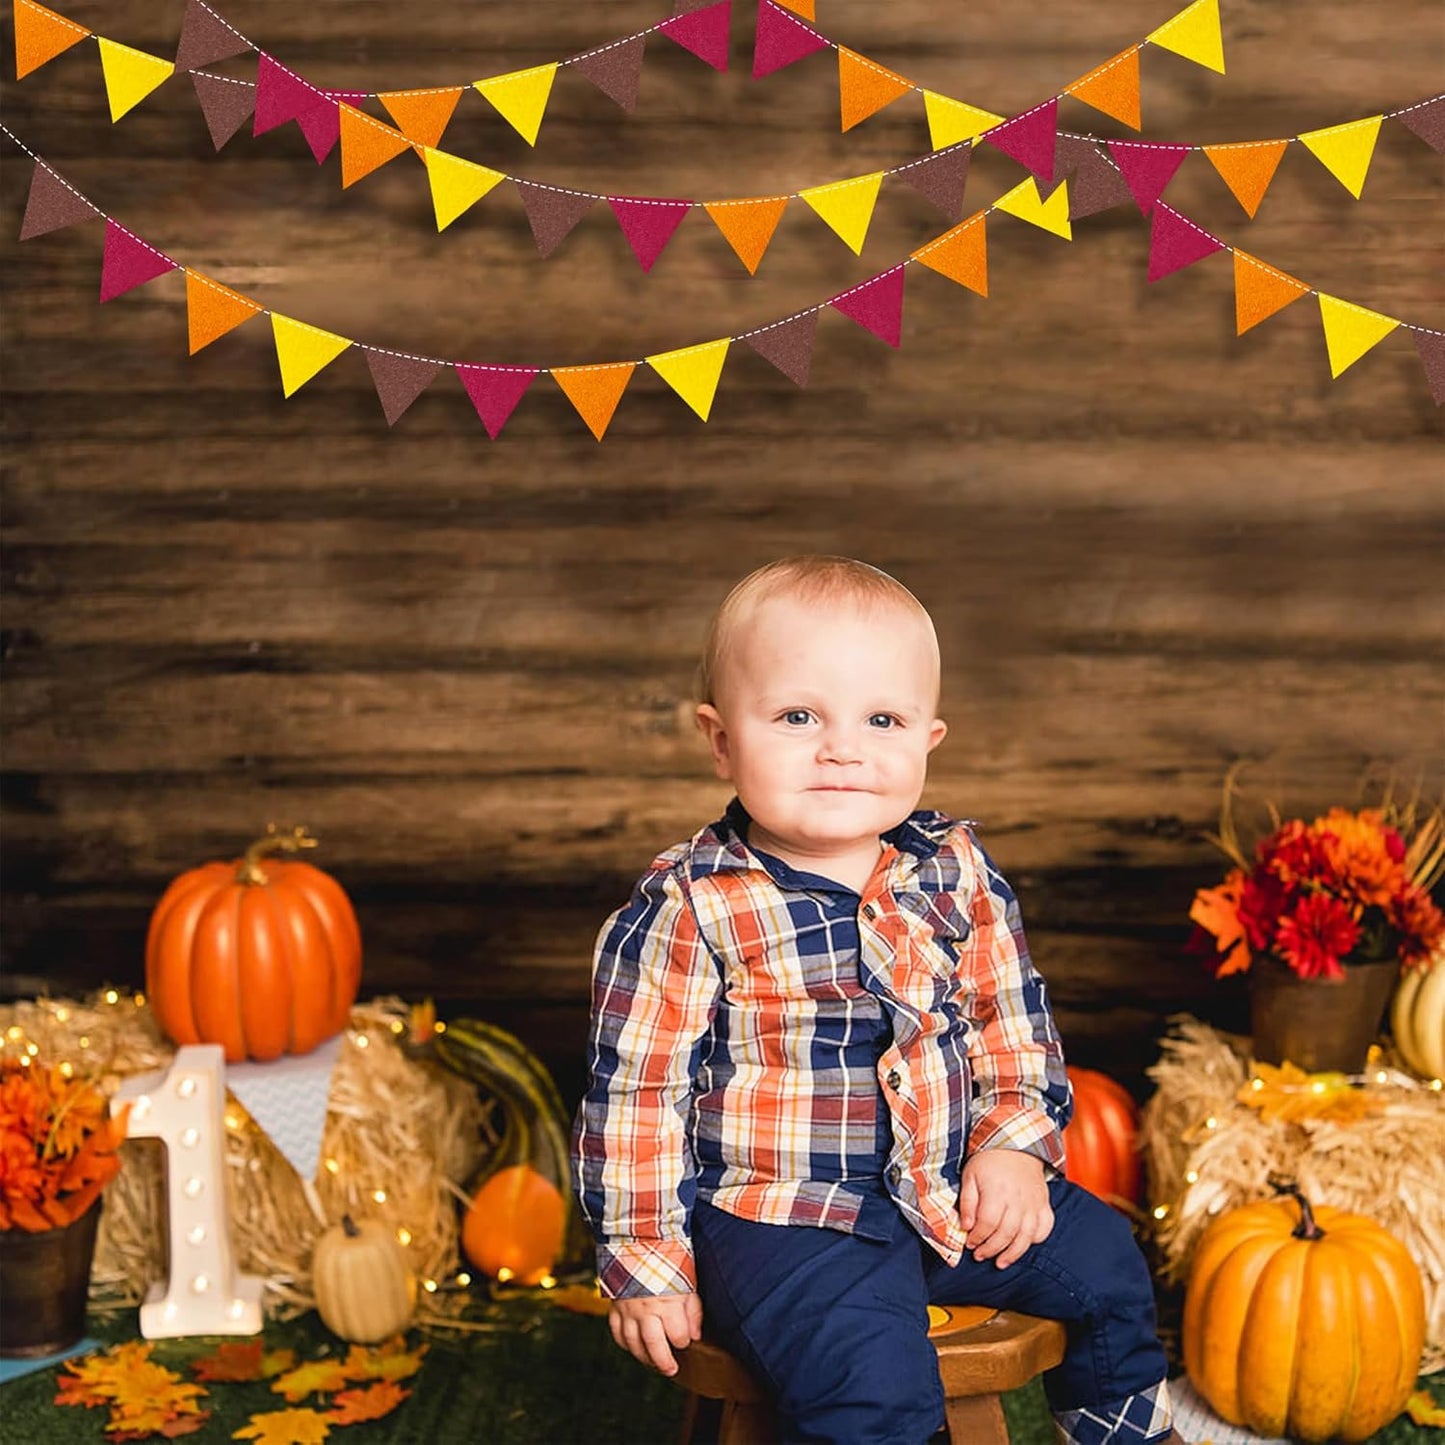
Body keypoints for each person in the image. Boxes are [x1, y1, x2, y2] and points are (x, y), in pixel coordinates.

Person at [572, 556, 1178, 1445]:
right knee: (871, 1381)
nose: (842, 748)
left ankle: (1120, 1434)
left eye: (881, 719)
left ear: (927, 740)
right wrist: (645, 1258)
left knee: (1104, 1263)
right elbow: (636, 1094)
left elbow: (1009, 1023)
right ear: (721, 739)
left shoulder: (955, 871)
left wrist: (1011, 1145)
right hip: (782, 1219)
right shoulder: (690, 904)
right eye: (797, 716)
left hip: (945, 1194)